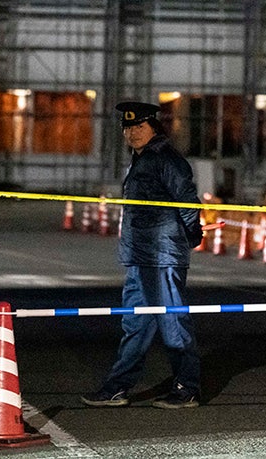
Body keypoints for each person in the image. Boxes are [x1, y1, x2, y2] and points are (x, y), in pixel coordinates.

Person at [83, 101, 204, 409]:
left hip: (163, 255)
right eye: (128, 128)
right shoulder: (139, 160)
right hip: (140, 256)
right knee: (135, 324)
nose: (133, 133)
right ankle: (117, 387)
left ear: (154, 127)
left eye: (139, 127)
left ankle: (187, 387)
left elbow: (188, 202)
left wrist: (191, 235)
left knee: (173, 323)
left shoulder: (166, 159)